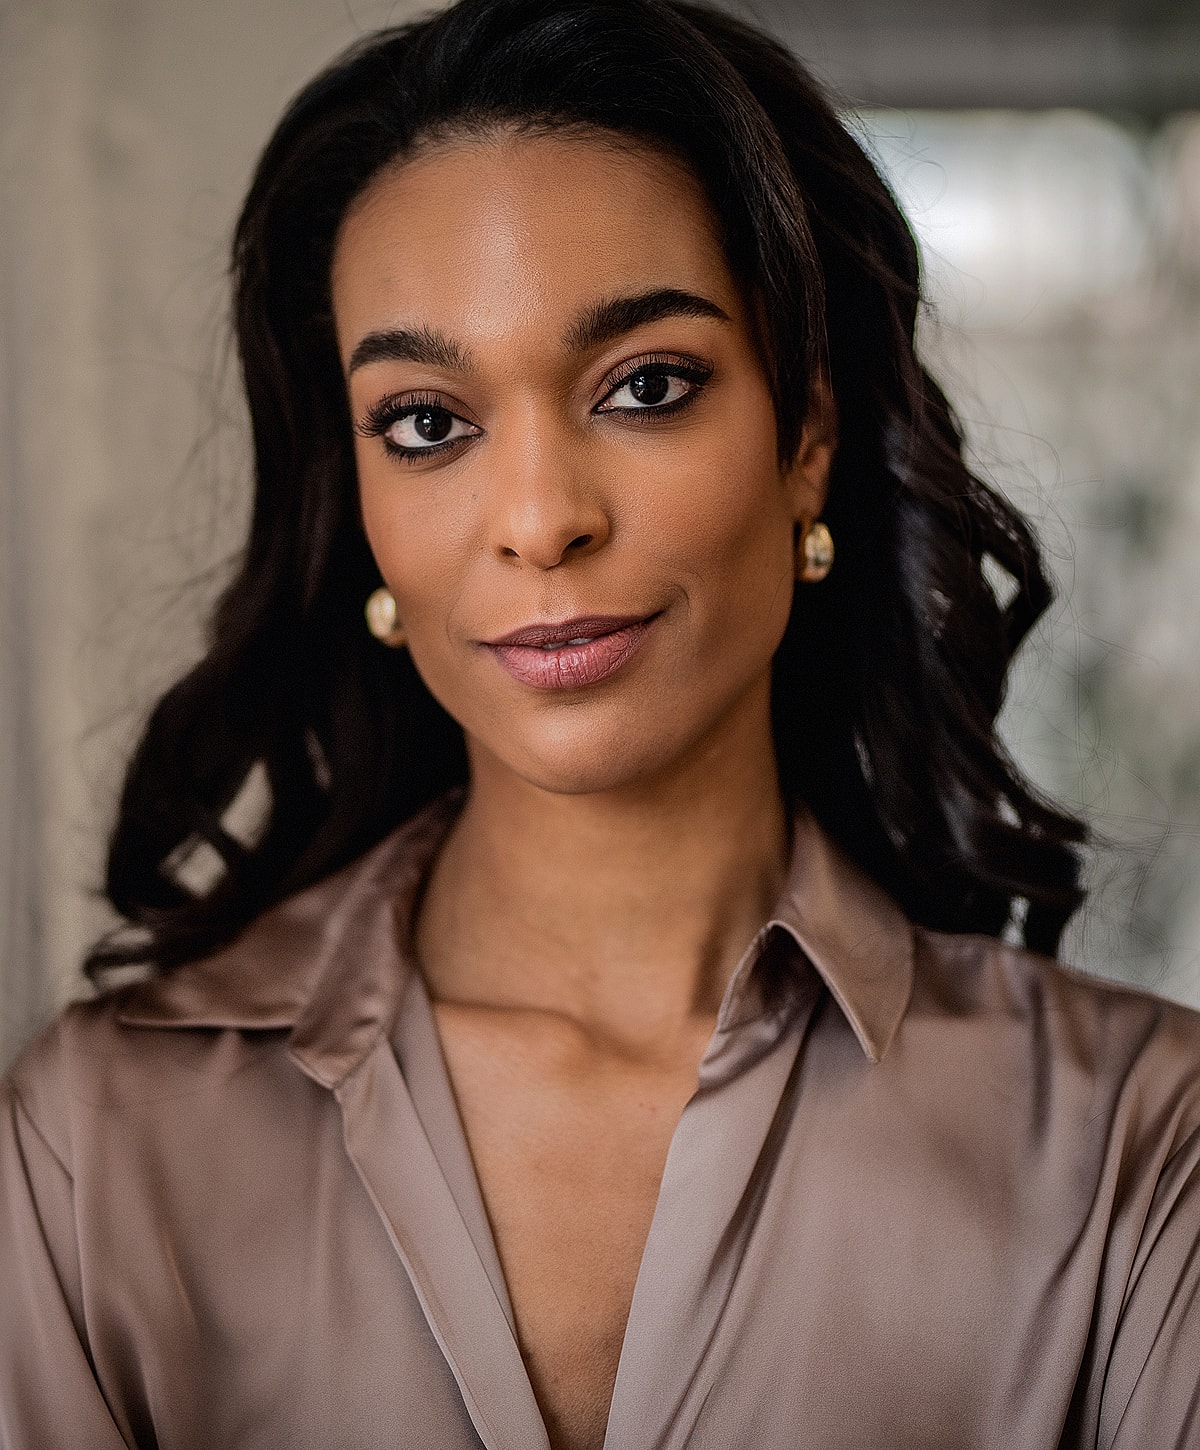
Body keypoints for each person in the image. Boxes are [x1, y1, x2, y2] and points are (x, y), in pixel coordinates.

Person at [3, 0, 1199, 1445]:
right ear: (364, 506)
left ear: (803, 436)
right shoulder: (98, 1149)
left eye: (646, 384)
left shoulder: (1133, 1149)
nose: (541, 521)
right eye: (428, 422)